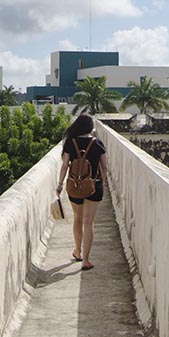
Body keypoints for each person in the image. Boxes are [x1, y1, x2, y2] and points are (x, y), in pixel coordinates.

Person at [55, 114, 108, 271]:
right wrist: (101, 181)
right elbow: (104, 167)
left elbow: (65, 166)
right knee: (88, 222)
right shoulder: (98, 143)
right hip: (94, 186)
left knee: (77, 219)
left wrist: (60, 184)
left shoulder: (70, 144)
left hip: (74, 186)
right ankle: (86, 260)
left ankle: (77, 251)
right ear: (90, 127)